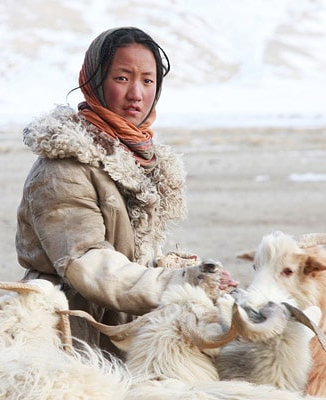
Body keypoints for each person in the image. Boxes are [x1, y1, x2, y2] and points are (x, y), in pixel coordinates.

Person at [14, 27, 238, 357]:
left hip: (125, 324)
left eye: (148, 81)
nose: (136, 93)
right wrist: (177, 283)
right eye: (122, 78)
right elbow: (88, 263)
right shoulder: (63, 168)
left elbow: (133, 256)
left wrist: (195, 275)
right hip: (69, 334)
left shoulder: (136, 160)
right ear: (94, 82)